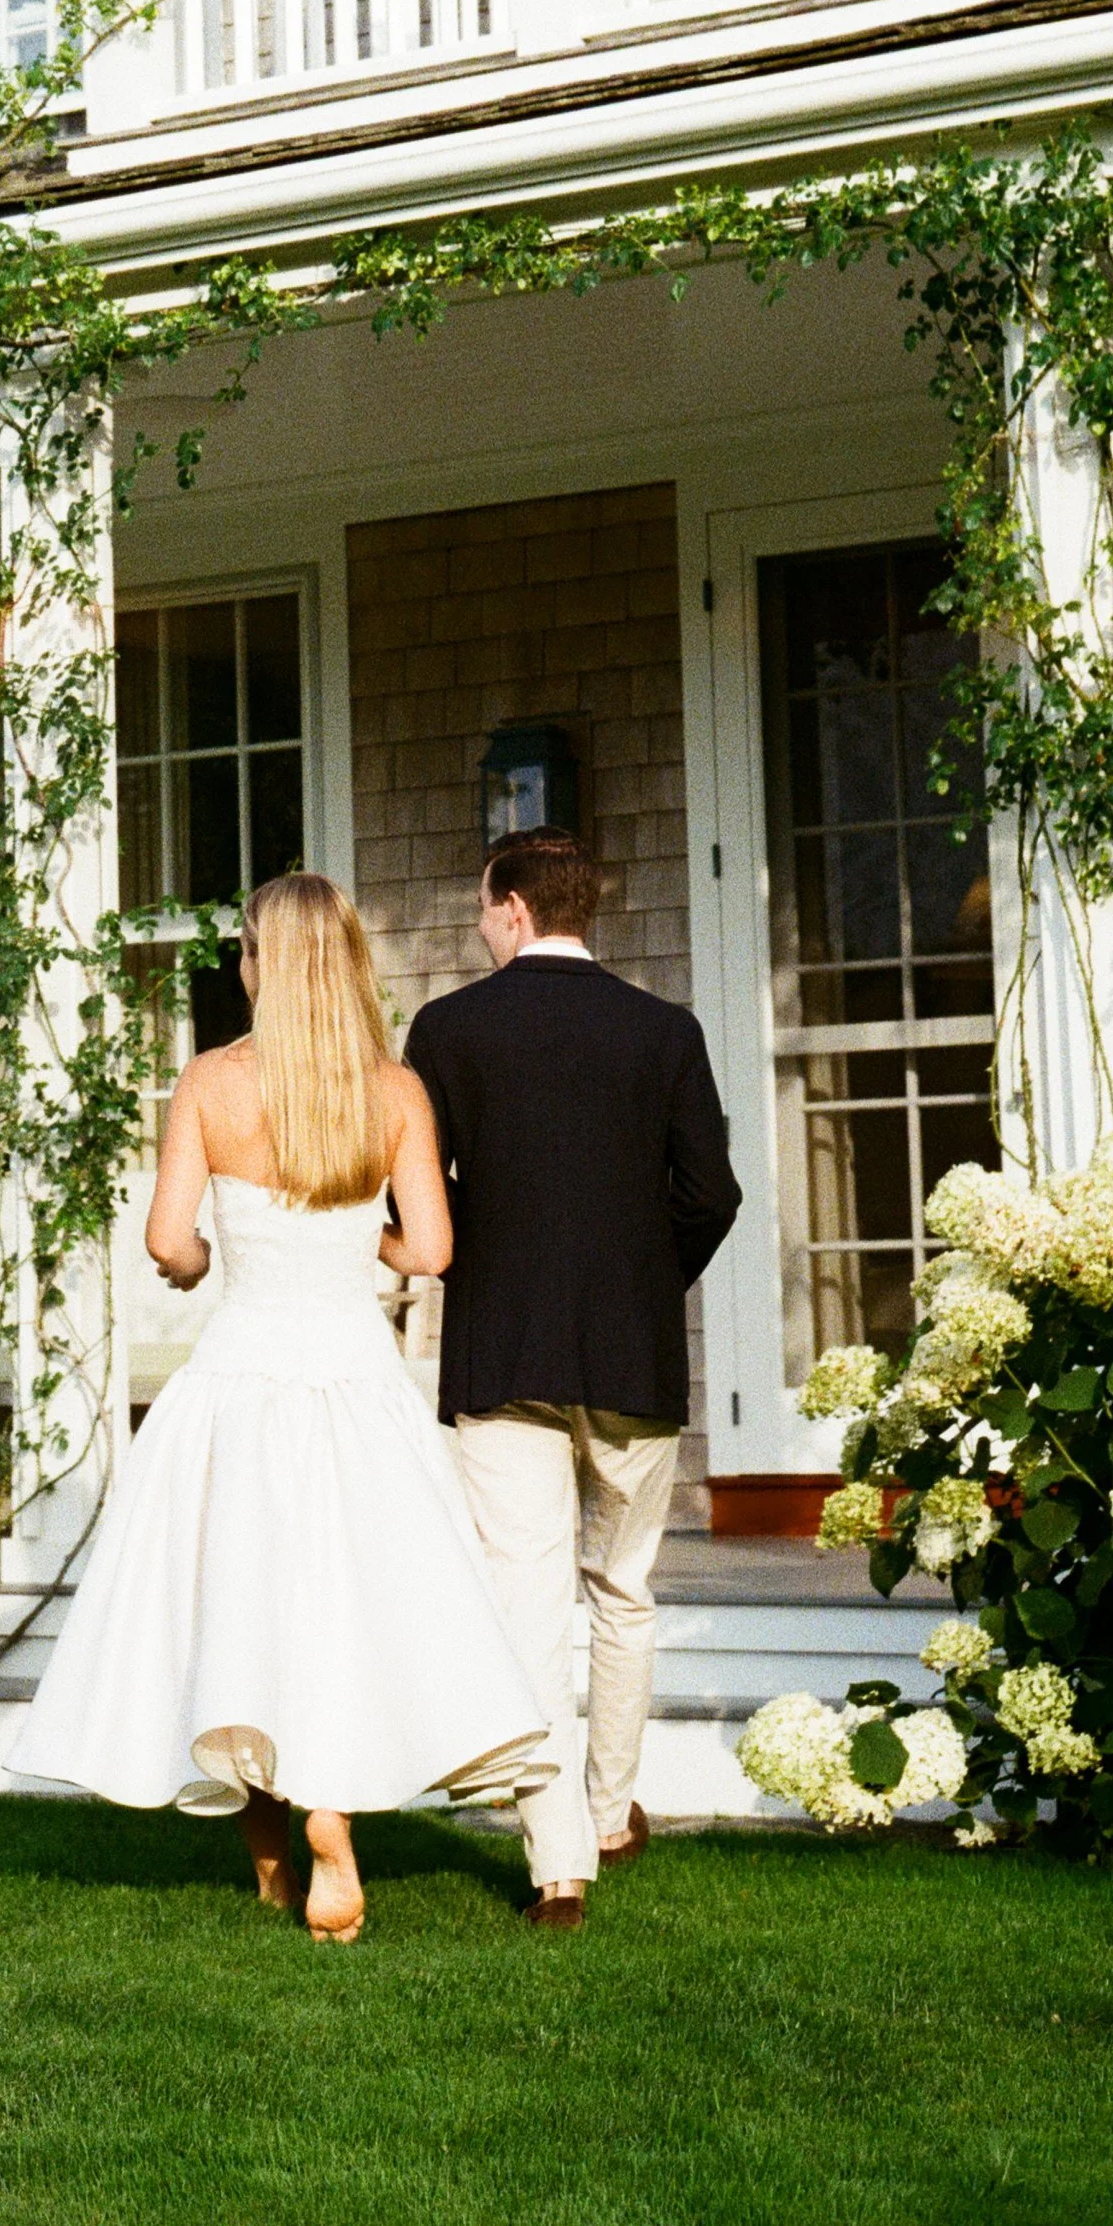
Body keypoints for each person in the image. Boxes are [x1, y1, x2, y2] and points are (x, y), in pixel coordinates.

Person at [10, 869, 550, 1942]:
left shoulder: (211, 1083)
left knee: (239, 1606)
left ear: (261, 965)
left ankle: (269, 1849)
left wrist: (208, 1251)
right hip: (353, 1383)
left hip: (241, 1382)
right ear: (344, 965)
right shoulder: (394, 1091)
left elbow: (168, 1241)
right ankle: (329, 1824)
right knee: (343, 1610)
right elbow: (433, 1249)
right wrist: (365, 1242)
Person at [407, 827, 741, 1933]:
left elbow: (422, 1205)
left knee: (526, 1604)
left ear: (510, 908)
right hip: (631, 1351)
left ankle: (559, 1868)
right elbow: (712, 1194)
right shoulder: (664, 1030)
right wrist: (646, 1283)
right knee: (623, 1592)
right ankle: (603, 1813)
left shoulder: (449, 1029)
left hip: (501, 1353)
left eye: (478, 906)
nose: (477, 923)